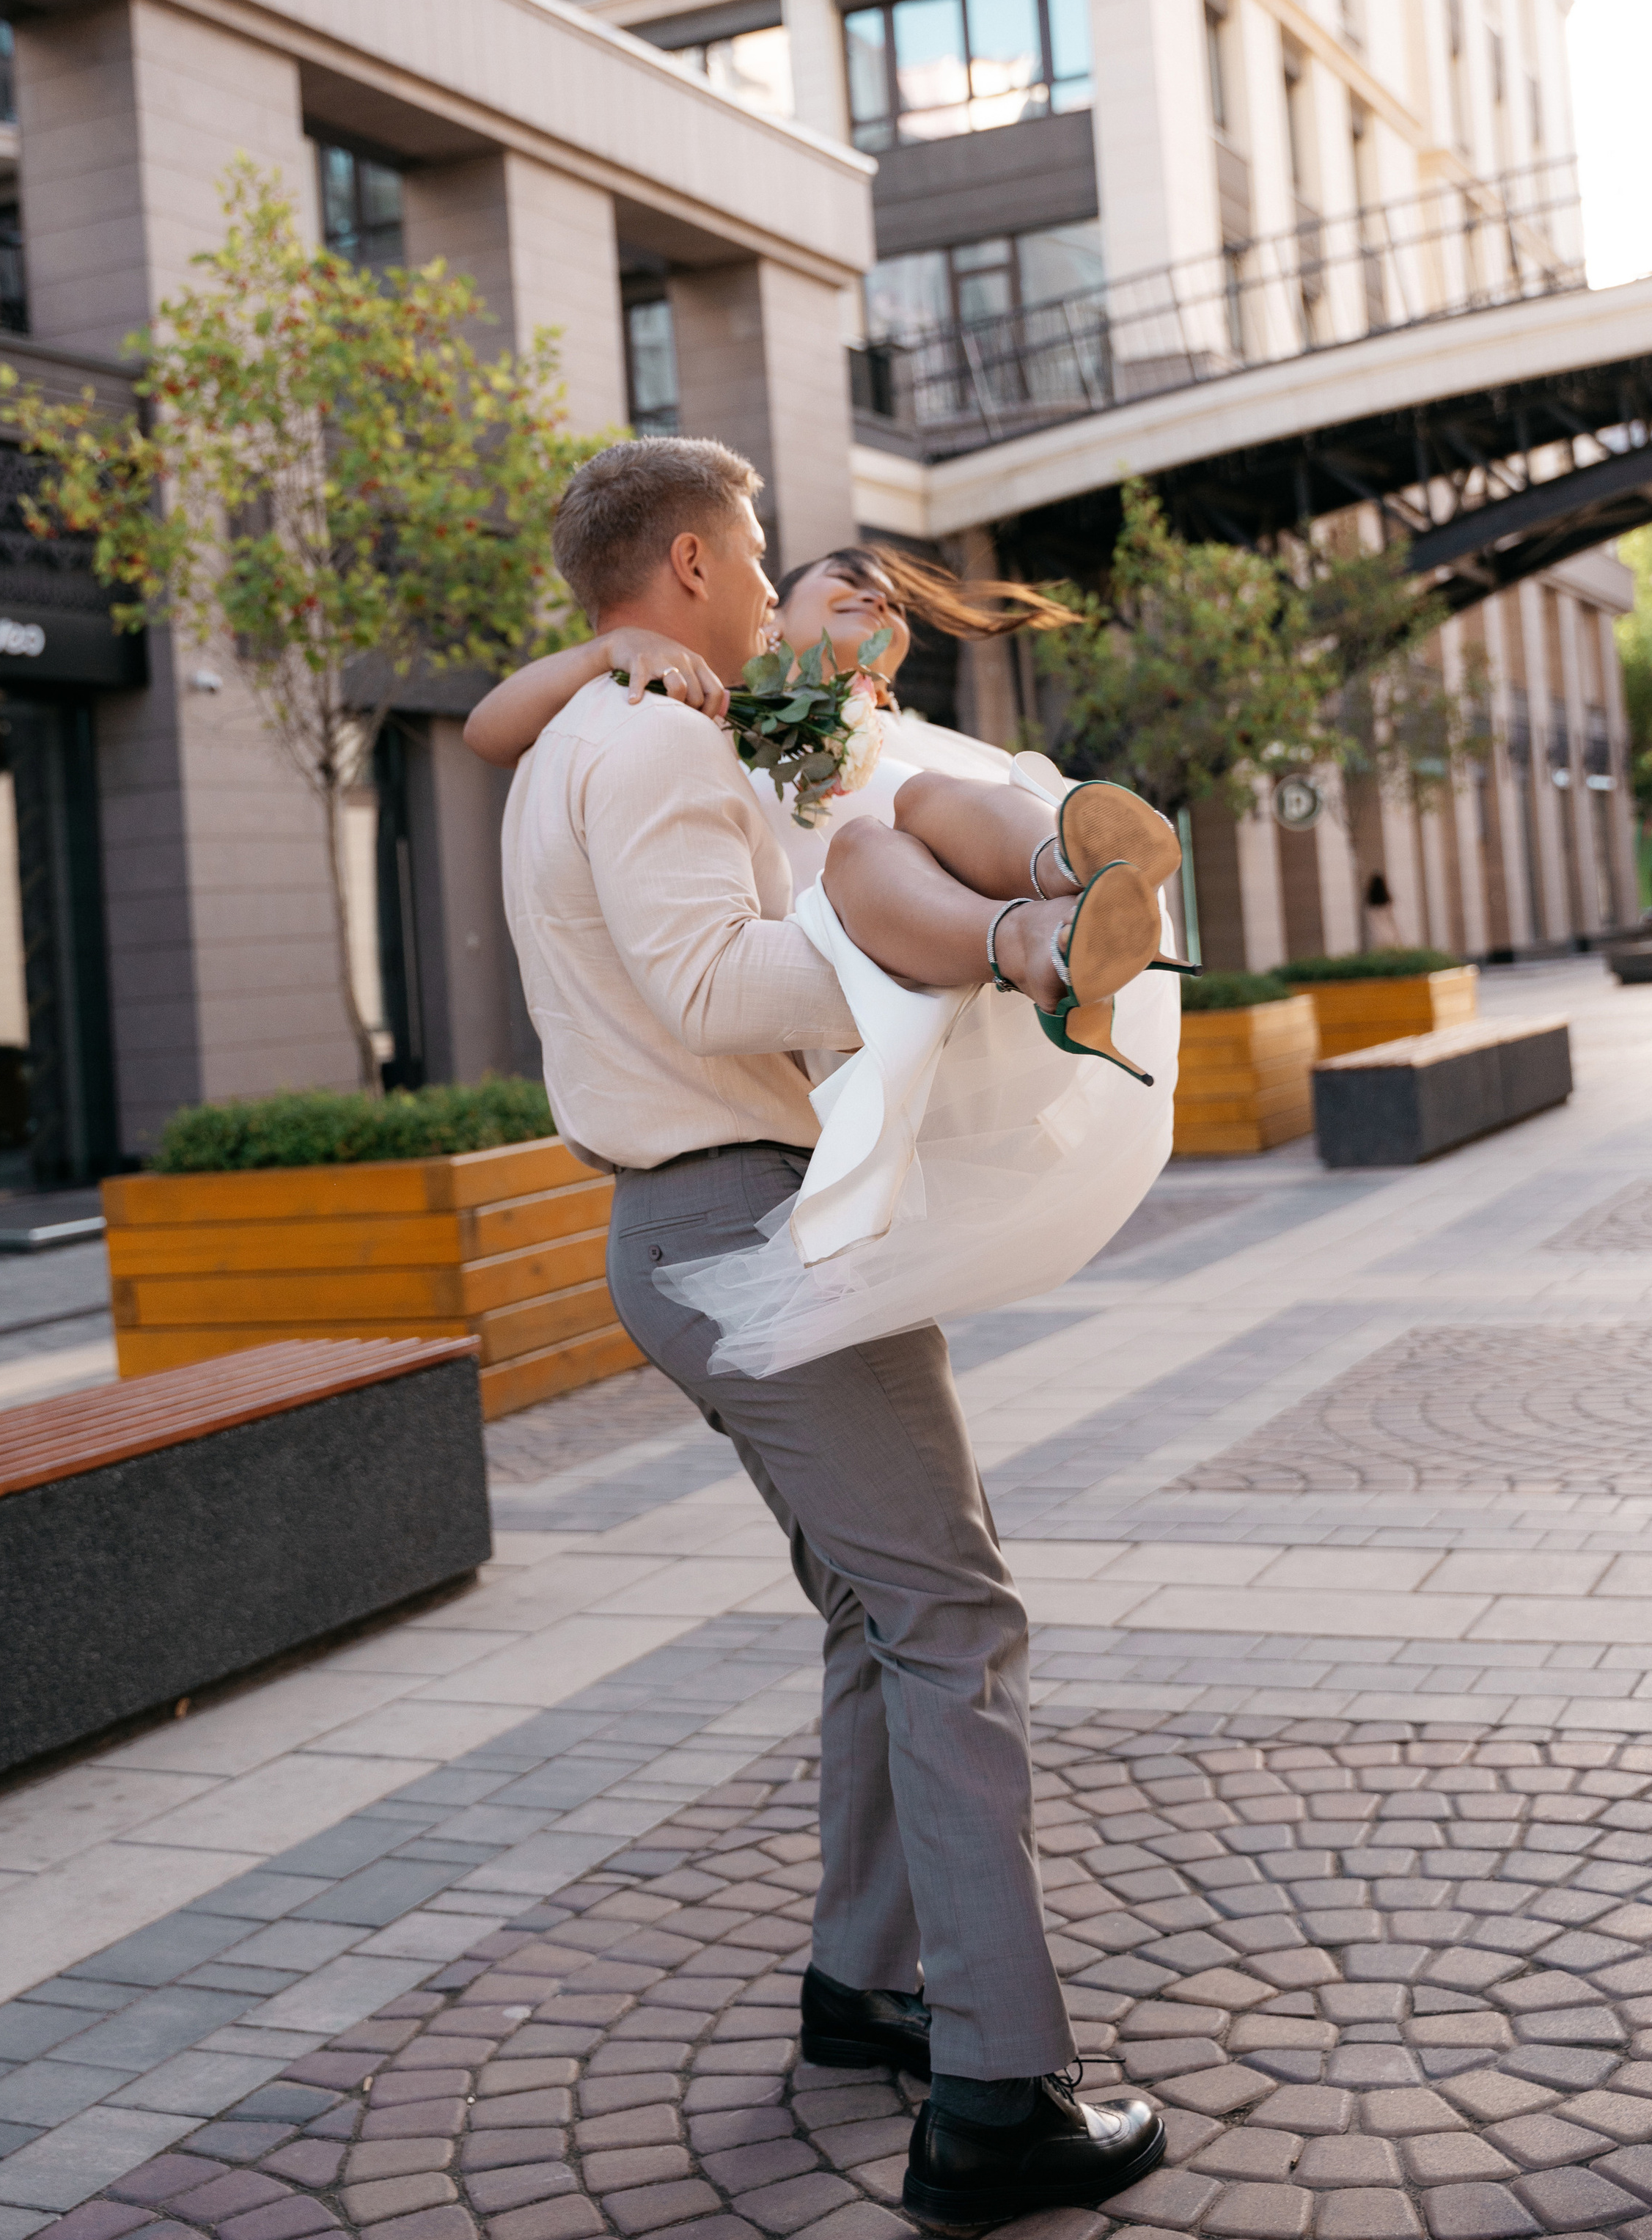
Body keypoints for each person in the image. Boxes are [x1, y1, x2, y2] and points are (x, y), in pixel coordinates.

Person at [494, 436, 1167, 2233]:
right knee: (955, 1617)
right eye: (760, 545)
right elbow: (710, 986)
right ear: (704, 564)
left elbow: (671, 842)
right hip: (738, 1220)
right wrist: (900, 960)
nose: (776, 563)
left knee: (884, 1612)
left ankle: (866, 1984)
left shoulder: (606, 725)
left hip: (704, 1222)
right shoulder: (639, 740)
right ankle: (995, 2102)